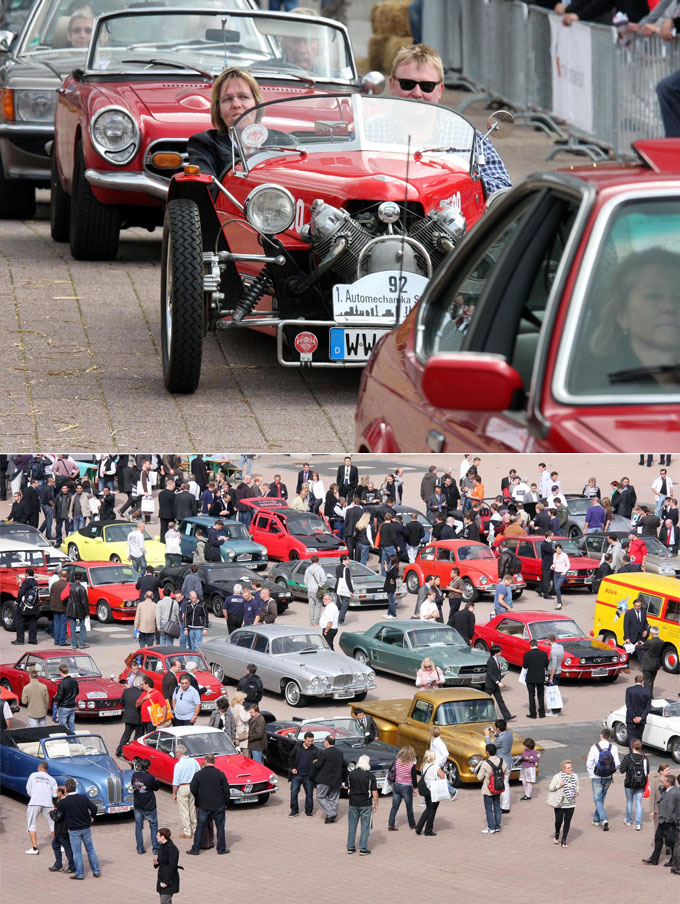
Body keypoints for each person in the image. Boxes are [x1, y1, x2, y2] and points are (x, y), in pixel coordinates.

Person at [187, 755, 230, 856]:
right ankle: (221, 849)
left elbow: (192, 788)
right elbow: (226, 790)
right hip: (218, 805)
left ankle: (195, 849)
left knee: (200, 827)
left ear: (205, 761)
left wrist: (198, 798)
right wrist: (226, 802)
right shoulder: (220, 774)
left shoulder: (198, 774)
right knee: (220, 827)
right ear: (214, 761)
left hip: (204, 805)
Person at [60, 777, 100, 879]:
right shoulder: (83, 798)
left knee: (77, 852)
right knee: (90, 849)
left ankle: (80, 874)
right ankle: (96, 871)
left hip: (73, 829)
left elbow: (60, 815)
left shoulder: (64, 802)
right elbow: (94, 808)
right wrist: (92, 817)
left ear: (66, 789)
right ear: (75, 787)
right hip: (86, 827)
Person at [586, 727, 620, 831]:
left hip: (597, 776)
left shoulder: (595, 747)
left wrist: (592, 774)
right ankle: (596, 820)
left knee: (597, 799)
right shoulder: (613, 747)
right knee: (601, 798)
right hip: (608, 777)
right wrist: (611, 771)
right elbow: (617, 763)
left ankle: (604, 819)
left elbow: (589, 763)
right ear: (609, 737)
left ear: (601, 736)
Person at [643, 772, 679, 866]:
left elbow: (672, 808)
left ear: (668, 783)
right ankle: (654, 859)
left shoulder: (672, 793)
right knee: (658, 838)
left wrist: (668, 820)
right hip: (663, 820)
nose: (662, 782)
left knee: (671, 841)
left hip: (668, 821)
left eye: (663, 781)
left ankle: (673, 860)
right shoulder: (667, 790)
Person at [347, 754, 378, 856]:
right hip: (366, 803)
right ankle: (363, 848)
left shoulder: (351, 774)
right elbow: (374, 792)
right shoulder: (370, 776)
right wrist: (376, 803)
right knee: (365, 827)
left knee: (352, 826)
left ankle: (351, 847)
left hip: (353, 803)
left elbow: (348, 787)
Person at [25, 760, 57, 854]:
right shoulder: (51, 779)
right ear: (47, 770)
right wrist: (47, 794)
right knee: (53, 824)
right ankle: (59, 845)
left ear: (39, 768)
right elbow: (55, 794)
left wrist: (34, 794)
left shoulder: (33, 775)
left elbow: (28, 789)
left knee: (32, 824)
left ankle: (35, 849)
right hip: (48, 802)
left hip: (34, 802)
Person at [620, 737, 650, 831]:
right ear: (640, 747)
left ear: (632, 746)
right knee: (638, 803)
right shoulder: (645, 758)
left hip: (629, 783)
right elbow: (647, 771)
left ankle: (628, 820)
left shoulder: (627, 757)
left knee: (629, 801)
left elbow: (621, 770)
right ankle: (638, 823)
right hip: (640, 784)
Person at [132, 758, 160, 856]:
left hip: (138, 805)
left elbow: (133, 786)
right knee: (153, 826)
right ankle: (155, 848)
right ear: (149, 767)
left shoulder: (135, 775)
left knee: (139, 827)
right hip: (149, 806)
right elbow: (156, 787)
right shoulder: (150, 777)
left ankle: (140, 848)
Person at [313, 735, 344, 824]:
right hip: (336, 779)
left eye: (324, 742)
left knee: (320, 796)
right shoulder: (340, 752)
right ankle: (331, 817)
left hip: (325, 779)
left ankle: (331, 814)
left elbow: (318, 765)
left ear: (327, 742)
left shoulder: (325, 752)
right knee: (333, 798)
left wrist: (315, 762)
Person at [548, 760, 579, 847]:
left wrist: (577, 792)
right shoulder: (557, 777)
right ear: (563, 769)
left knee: (567, 821)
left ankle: (564, 840)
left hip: (571, 803)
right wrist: (559, 785)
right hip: (560, 803)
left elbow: (577, 786)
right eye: (568, 768)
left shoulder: (575, 776)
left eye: (571, 767)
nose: (571, 769)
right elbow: (550, 788)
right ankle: (557, 833)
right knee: (558, 821)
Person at [478, 743, 508, 834]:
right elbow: (506, 772)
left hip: (488, 789)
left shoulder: (486, 763)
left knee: (489, 809)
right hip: (498, 787)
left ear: (487, 752)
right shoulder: (502, 761)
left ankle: (491, 827)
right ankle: (498, 826)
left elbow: (479, 777)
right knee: (497, 807)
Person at [415, 749, 446, 836]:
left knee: (428, 808)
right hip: (434, 790)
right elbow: (442, 775)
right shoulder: (435, 766)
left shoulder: (423, 766)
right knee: (432, 810)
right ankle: (428, 830)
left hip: (426, 789)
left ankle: (419, 827)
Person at [387, 745, 418, 831]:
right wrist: (415, 788)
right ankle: (412, 824)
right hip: (407, 787)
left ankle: (390, 824)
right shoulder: (411, 765)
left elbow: (390, 769)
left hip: (397, 785)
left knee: (394, 806)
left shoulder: (397, 761)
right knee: (409, 807)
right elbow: (414, 778)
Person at [172, 746, 200, 840]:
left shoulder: (178, 764)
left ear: (179, 753)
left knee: (184, 810)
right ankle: (196, 829)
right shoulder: (194, 761)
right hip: (193, 786)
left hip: (183, 787)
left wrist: (174, 793)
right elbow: (199, 773)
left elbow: (176, 781)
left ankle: (187, 832)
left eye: (176, 752)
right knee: (193, 809)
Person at [486, 719, 513, 813]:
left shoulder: (501, 739)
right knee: (505, 783)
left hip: (503, 764)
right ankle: (505, 805)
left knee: (504, 785)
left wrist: (487, 736)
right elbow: (502, 737)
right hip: (509, 761)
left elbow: (490, 747)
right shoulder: (509, 734)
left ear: (498, 728)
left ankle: (505, 807)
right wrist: (495, 733)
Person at [288, 730, 316, 818]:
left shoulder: (315, 750)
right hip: (297, 775)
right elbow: (291, 758)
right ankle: (294, 810)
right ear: (304, 740)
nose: (310, 743)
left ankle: (309, 811)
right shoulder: (298, 747)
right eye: (308, 741)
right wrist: (292, 768)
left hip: (308, 776)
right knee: (294, 793)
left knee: (309, 794)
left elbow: (320, 760)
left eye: (312, 741)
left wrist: (318, 761)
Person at [115, 674, 144, 756]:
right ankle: (136, 752)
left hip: (128, 717)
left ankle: (119, 750)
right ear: (140, 684)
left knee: (126, 734)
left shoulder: (127, 691)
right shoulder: (142, 693)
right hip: (138, 718)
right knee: (138, 737)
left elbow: (122, 702)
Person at [49, 785, 76, 873]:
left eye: (57, 792)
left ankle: (72, 866)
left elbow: (57, 818)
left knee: (67, 848)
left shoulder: (62, 802)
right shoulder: (66, 801)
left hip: (62, 830)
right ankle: (58, 864)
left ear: (61, 792)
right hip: (61, 830)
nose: (57, 793)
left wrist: (52, 813)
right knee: (55, 844)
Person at [484, 644, 513, 721]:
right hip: (490, 686)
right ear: (496, 652)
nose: (501, 652)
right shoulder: (490, 661)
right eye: (500, 651)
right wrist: (497, 682)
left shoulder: (496, 659)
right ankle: (477, 714)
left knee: (500, 701)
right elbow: (490, 674)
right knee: (484, 700)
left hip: (495, 686)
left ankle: (507, 716)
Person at [13, 568, 40, 646]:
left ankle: (20, 640)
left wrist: (17, 602)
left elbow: (21, 592)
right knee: (32, 622)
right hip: (33, 605)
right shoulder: (35, 582)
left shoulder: (26, 582)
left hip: (24, 606)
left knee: (20, 622)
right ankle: (33, 640)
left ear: (27, 574)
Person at [522, 639, 548, 719]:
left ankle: (533, 714)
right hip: (540, 677)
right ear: (537, 645)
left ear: (530, 646)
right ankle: (542, 713)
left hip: (530, 678)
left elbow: (525, 666)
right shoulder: (544, 654)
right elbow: (546, 664)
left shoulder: (527, 654)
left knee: (531, 696)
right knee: (541, 695)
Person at [154, 827, 181, 904]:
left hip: (169, 880)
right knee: (166, 901)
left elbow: (172, 867)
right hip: (162, 877)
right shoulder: (162, 846)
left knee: (164, 901)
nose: (156, 836)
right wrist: (156, 863)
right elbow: (161, 860)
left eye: (158, 835)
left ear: (163, 837)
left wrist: (166, 882)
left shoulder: (172, 849)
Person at [625, 673, 652, 748]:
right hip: (641, 720)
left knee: (631, 739)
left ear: (635, 681)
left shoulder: (629, 690)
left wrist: (633, 717)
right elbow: (648, 707)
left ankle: (632, 755)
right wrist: (641, 717)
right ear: (643, 682)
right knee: (639, 739)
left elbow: (628, 705)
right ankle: (638, 755)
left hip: (631, 719)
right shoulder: (647, 691)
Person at [623, 597, 650, 667]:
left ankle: (644, 667)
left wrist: (646, 630)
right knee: (629, 652)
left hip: (640, 636)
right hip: (631, 636)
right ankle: (626, 666)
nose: (638, 608)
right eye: (636, 606)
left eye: (639, 606)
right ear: (633, 605)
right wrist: (627, 637)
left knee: (641, 652)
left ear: (641, 605)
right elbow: (625, 626)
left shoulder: (643, 611)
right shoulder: (629, 613)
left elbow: (646, 623)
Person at [54, 662, 78, 733]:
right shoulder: (74, 681)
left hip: (64, 706)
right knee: (71, 724)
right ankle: (73, 739)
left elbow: (60, 696)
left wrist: (55, 698)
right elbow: (77, 692)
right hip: (72, 706)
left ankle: (64, 738)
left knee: (62, 725)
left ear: (60, 672)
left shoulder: (62, 684)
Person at [641, 626, 664, 696]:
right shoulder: (661, 642)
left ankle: (648, 697)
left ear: (651, 633)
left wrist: (639, 645)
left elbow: (642, 647)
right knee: (651, 681)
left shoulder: (649, 641)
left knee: (647, 682)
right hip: (656, 664)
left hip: (648, 665)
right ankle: (650, 695)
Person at [303, 556, 326, 625]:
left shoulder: (308, 569)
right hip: (316, 590)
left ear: (311, 560)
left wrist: (308, 587)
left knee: (311, 605)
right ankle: (316, 620)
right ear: (318, 560)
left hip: (310, 590)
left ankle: (311, 620)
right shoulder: (320, 569)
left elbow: (305, 581)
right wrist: (320, 585)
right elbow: (324, 580)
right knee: (318, 604)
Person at [546, 634, 564, 716]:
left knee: (553, 692)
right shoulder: (560, 647)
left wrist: (551, 677)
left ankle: (554, 711)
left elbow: (554, 665)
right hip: (559, 671)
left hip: (554, 673)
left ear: (549, 641)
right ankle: (557, 710)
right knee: (556, 691)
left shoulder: (553, 651)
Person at [550, 543, 570, 610]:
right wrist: (552, 566)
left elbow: (568, 565)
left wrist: (564, 572)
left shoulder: (564, 555)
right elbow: (554, 564)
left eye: (559, 549)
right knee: (556, 588)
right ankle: (559, 602)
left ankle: (559, 603)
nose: (558, 550)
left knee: (557, 587)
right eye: (557, 549)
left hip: (562, 574)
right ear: (555, 549)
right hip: (555, 573)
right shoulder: (554, 555)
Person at [383, 554, 400, 618]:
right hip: (388, 585)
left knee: (391, 600)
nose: (389, 561)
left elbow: (395, 575)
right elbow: (388, 574)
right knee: (390, 600)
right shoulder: (392, 566)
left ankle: (393, 614)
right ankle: (389, 613)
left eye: (390, 559)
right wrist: (385, 567)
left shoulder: (395, 568)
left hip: (391, 586)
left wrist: (392, 579)